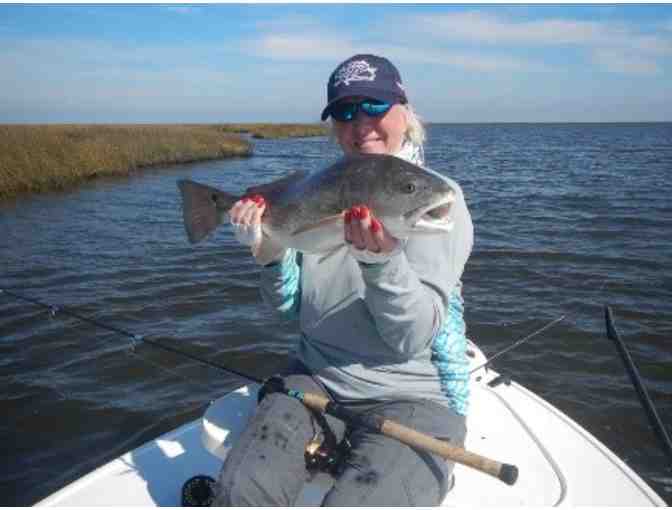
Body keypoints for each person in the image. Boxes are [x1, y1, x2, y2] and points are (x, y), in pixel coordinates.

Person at [214, 54, 474, 506]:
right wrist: (270, 251)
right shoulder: (319, 188)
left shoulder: (437, 200)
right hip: (315, 378)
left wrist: (382, 263)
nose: (361, 124)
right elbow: (287, 309)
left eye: (375, 106)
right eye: (345, 111)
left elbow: (410, 337)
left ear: (404, 110)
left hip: (414, 396)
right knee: (238, 493)